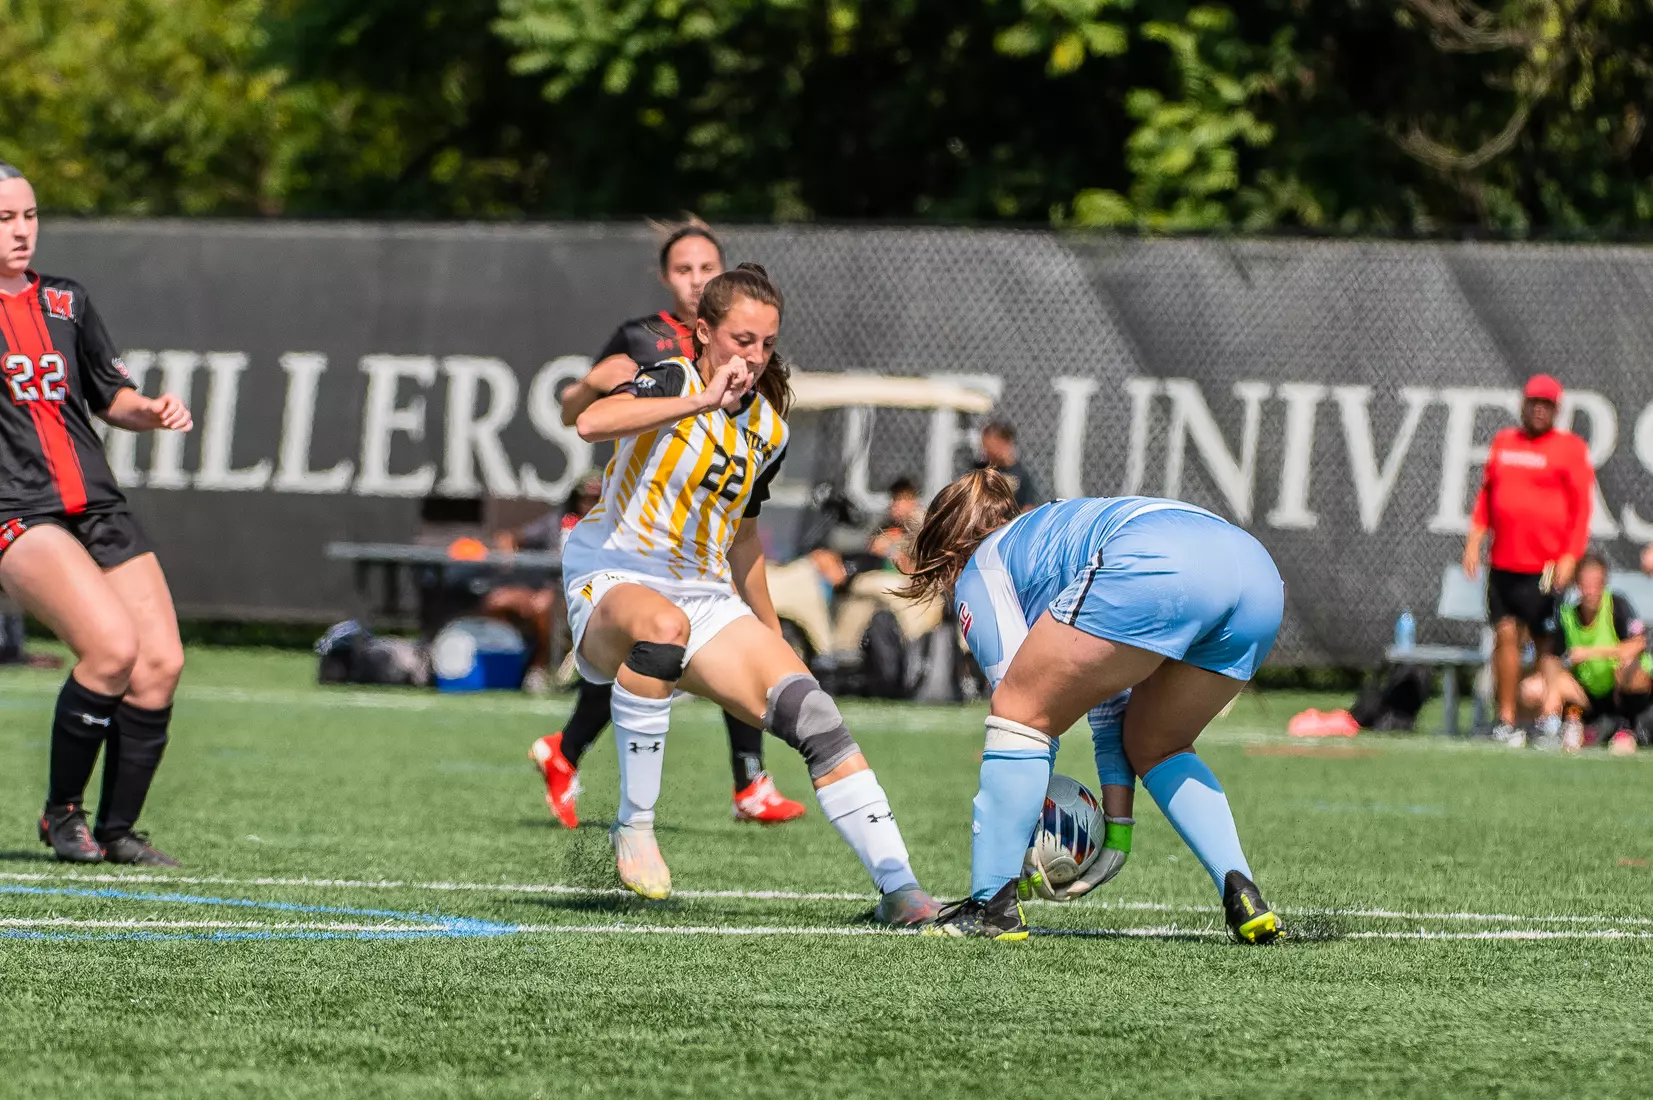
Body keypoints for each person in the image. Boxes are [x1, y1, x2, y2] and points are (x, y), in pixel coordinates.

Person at [563, 262, 937, 924]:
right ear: (702, 333)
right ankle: (634, 825)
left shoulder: (767, 428)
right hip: (613, 575)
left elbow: (742, 541)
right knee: (660, 627)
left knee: (815, 716)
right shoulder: (674, 378)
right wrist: (702, 399)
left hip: (703, 595)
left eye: (765, 343)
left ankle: (900, 889)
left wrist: (766, 633)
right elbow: (593, 424)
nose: (753, 356)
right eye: (740, 340)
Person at [902, 470, 1284, 942]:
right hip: (1256, 573)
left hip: (1160, 558)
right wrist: (1117, 832)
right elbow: (1110, 705)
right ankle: (1242, 892)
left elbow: (1022, 717)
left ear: (947, 556)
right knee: (1157, 743)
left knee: (1017, 710)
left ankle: (991, 906)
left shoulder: (980, 567)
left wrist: (1015, 836)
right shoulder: (1045, 535)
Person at [530, 220, 805, 828]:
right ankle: (596, 778)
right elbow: (587, 413)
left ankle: (749, 780)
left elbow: (750, 495)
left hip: (703, 537)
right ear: (666, 279)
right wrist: (591, 385)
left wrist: (771, 626)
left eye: (707, 267)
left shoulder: (747, 348)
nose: (695, 278)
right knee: (649, 647)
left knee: (723, 630)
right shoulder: (646, 339)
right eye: (683, 269)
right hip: (638, 535)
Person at [0, 164, 193, 866]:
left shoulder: (65, 301)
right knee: (111, 649)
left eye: (28, 215)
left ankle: (117, 831)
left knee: (160, 664)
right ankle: (62, 816)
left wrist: (153, 409)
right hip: (18, 512)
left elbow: (113, 397)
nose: (21, 230)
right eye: (3, 220)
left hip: (96, 502)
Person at [1462, 373, 1593, 748]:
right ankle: (1506, 720)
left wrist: (1570, 557)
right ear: (1523, 404)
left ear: (1556, 409)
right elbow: (1487, 496)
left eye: (1546, 403)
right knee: (1504, 636)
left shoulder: (1568, 449)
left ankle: (1548, 718)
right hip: (1504, 561)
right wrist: (1474, 539)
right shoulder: (1505, 442)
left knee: (1546, 642)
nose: (1539, 408)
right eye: (1534, 401)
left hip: (1546, 564)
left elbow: (1581, 510)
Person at [481, 471, 602, 693]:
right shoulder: (558, 522)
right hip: (550, 588)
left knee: (546, 606)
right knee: (498, 601)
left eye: (597, 498)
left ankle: (542, 666)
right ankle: (509, 661)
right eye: (585, 497)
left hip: (592, 593)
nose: (590, 504)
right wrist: (509, 563)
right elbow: (509, 538)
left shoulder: (610, 526)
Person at [1518, 552, 1649, 754]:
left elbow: (1638, 644)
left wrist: (1591, 652)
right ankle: (1546, 727)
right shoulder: (1568, 614)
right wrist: (1552, 694)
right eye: (1584, 584)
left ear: (1604, 583)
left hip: (1618, 689)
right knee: (1531, 688)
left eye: (1595, 584)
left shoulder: (1617, 605)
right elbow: (1552, 657)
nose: (1589, 590)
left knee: (1629, 667)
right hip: (1587, 693)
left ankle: (1628, 727)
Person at [973, 421, 1043, 513]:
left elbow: (1029, 507)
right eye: (985, 447)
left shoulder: (1021, 474)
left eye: (992, 447)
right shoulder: (981, 470)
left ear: (1006, 443)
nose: (987, 452)